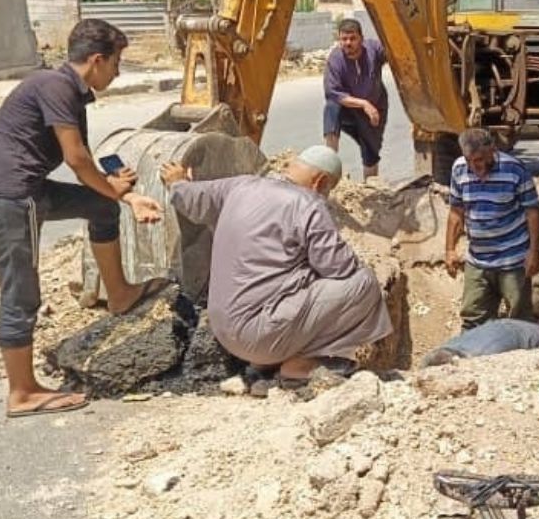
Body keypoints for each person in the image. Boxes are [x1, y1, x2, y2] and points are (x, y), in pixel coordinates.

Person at [0, 18, 167, 418]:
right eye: (116, 62)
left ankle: (121, 294)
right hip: (9, 200)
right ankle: (22, 393)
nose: (118, 71)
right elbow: (76, 159)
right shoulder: (55, 86)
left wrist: (118, 192)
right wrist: (121, 194)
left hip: (29, 192)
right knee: (21, 293)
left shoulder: (70, 91)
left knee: (100, 205)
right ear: (97, 59)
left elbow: (86, 160)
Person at [161, 146, 392, 384]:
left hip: (222, 330)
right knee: (363, 282)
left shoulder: (240, 186)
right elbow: (339, 268)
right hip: (257, 334)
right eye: (328, 190)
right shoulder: (307, 204)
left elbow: (189, 198)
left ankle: (267, 362)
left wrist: (177, 183)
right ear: (320, 181)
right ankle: (301, 365)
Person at [445, 128, 539, 330]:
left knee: (520, 319)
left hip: (513, 260)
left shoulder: (514, 170)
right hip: (478, 261)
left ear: (493, 150)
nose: (476, 167)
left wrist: (534, 253)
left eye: (481, 159)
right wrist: (450, 250)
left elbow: (532, 212)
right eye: (470, 161)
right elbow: (456, 211)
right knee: (473, 319)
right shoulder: (459, 169)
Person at [323, 18, 390, 179]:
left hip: (374, 109)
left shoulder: (373, 49)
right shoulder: (335, 59)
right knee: (332, 107)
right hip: (349, 109)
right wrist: (363, 104)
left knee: (371, 153)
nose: (348, 43)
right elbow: (333, 92)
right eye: (344, 39)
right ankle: (328, 162)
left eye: (352, 38)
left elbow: (395, 53)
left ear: (361, 38)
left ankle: (371, 187)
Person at [422, 318, 539, 367]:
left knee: (471, 352)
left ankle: (450, 354)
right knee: (467, 350)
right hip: (512, 331)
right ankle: (450, 354)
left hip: (515, 332)